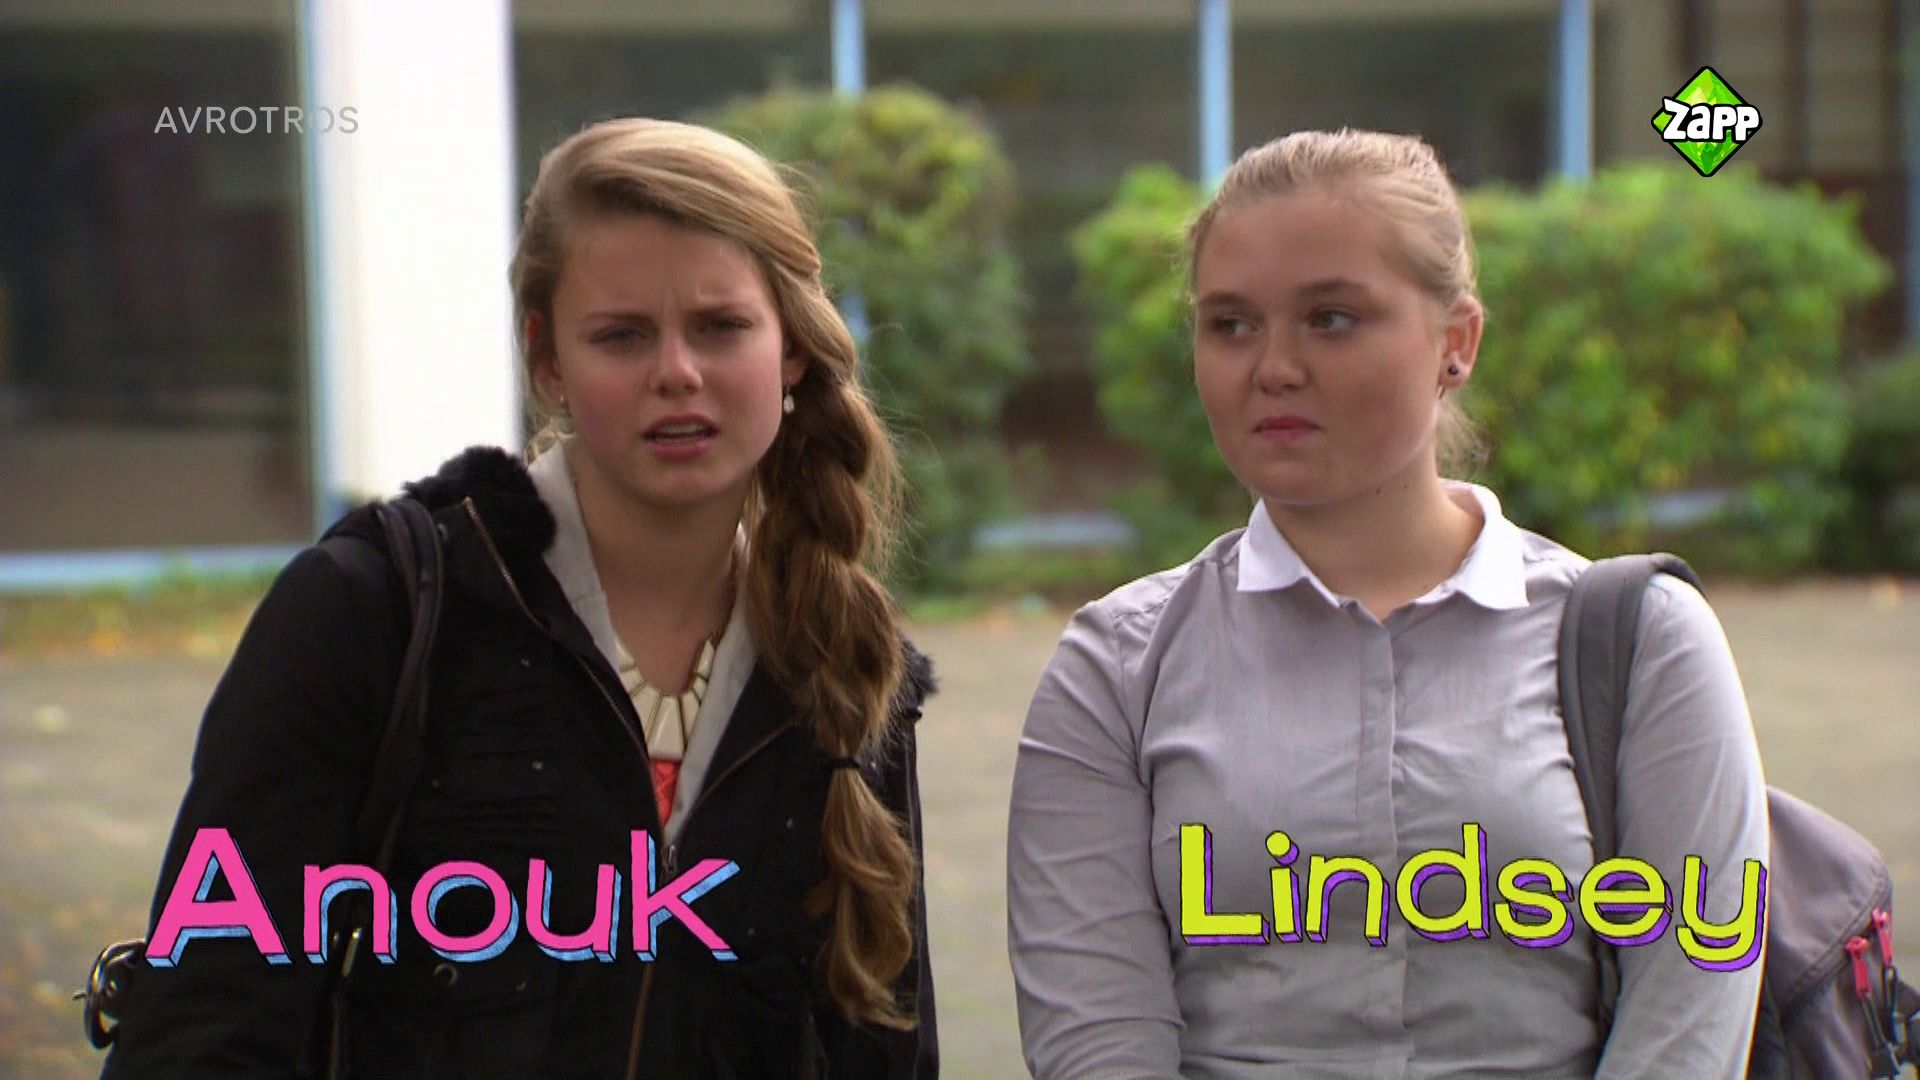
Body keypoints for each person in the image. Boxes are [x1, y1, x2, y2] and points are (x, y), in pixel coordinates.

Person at [101, 117, 938, 1079]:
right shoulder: (373, 612)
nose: (677, 372)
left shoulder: (842, 658)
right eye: (621, 335)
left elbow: (889, 1052)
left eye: (721, 326)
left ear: (791, 348)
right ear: (548, 361)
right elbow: (201, 1031)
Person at [1005, 129, 1768, 1079]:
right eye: (1230, 324)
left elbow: (1691, 1013)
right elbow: (1096, 1037)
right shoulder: (1116, 670)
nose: (1273, 367)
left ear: (1457, 343)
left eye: (1330, 318)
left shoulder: (1643, 641)